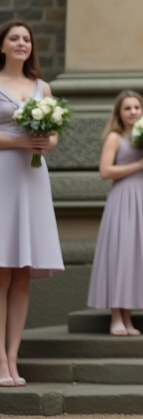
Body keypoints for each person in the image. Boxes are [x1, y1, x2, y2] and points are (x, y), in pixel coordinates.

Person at [0, 19, 64, 386]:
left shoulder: (43, 87)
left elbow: (53, 137)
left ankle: (13, 357)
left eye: (26, 38)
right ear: (3, 46)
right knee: (1, 272)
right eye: (14, 38)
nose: (22, 43)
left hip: (34, 178)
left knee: (22, 273)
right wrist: (23, 142)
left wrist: (44, 143)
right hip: (4, 175)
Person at [87, 91, 143, 336]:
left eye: (137, 107)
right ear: (119, 114)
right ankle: (116, 317)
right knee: (120, 254)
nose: (133, 112)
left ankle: (128, 318)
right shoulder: (114, 137)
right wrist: (141, 162)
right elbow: (105, 171)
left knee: (137, 255)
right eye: (128, 108)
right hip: (123, 198)